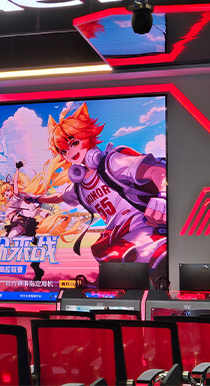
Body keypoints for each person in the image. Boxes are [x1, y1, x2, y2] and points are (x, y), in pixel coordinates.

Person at [32, 103, 167, 276]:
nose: (70, 152)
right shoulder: (80, 188)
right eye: (63, 151)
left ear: (87, 137)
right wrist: (35, 199)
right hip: (117, 233)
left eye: (74, 143)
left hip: (144, 224)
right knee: (101, 251)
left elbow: (157, 171)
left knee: (134, 256)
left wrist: (162, 196)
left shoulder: (112, 163)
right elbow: (60, 197)